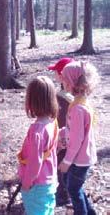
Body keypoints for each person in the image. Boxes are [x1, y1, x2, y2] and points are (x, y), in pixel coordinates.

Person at [58, 61, 99, 215]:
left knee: (73, 189)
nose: (63, 82)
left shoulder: (77, 108)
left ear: (74, 82)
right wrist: (62, 132)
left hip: (79, 159)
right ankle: (90, 212)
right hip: (82, 155)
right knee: (75, 186)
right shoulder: (80, 102)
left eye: (65, 79)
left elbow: (76, 140)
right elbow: (75, 131)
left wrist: (66, 162)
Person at [18, 76, 59, 215]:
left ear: (31, 101)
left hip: (36, 184)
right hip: (50, 180)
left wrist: (27, 182)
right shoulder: (52, 122)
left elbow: (35, 162)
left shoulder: (37, 130)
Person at [48, 57, 74, 206]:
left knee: (62, 168)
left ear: (62, 76)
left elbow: (59, 120)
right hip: (73, 140)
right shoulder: (76, 96)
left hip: (62, 140)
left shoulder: (61, 98)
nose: (54, 75)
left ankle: (64, 195)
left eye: (56, 72)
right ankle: (68, 192)